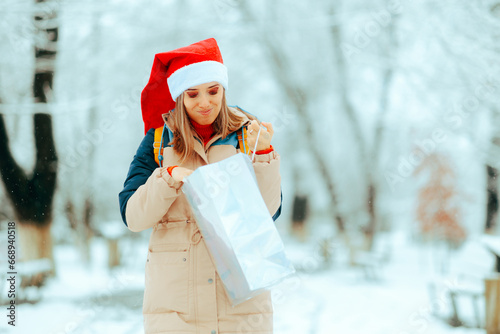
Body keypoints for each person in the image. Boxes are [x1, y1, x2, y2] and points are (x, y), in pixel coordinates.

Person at [118, 38, 282, 334]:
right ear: (180, 95)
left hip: (242, 306)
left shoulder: (249, 135)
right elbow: (133, 217)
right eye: (192, 94)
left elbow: (268, 212)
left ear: (223, 89)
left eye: (213, 91)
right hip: (177, 310)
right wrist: (167, 178)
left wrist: (263, 155)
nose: (205, 102)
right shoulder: (158, 143)